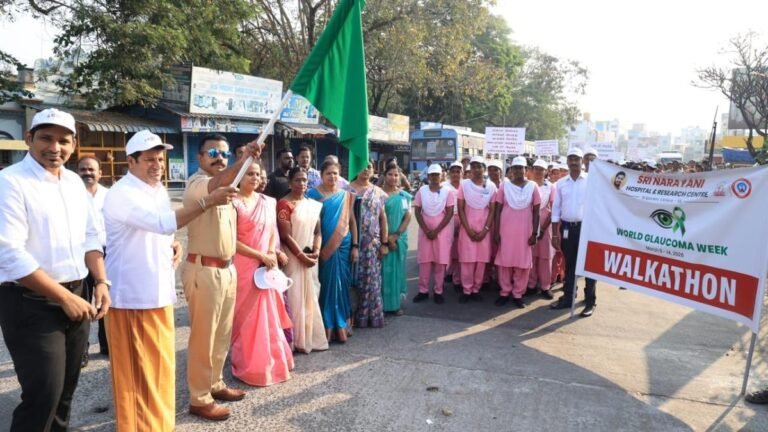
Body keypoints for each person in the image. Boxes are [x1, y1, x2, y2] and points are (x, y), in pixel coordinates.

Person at [103, 130, 235, 431]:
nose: (157, 165)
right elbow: (161, 223)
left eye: (160, 159)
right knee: (138, 377)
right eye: (149, 159)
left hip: (159, 294)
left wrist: (172, 245)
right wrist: (208, 202)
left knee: (161, 371)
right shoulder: (123, 193)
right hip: (132, 299)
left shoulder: (156, 189)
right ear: (131, 161)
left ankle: (160, 425)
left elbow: (161, 231)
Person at [0, 108, 111, 432]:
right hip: (30, 301)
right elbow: (9, 253)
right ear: (28, 139)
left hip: (77, 295)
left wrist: (101, 281)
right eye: (46, 138)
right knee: (42, 396)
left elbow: (91, 235)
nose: (55, 147)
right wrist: (63, 296)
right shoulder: (10, 183)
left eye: (64, 140)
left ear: (73, 145)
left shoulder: (75, 183)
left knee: (65, 393)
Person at [183, 133, 262, 421]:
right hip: (204, 270)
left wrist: (244, 160)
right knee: (203, 337)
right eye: (213, 152)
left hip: (226, 270)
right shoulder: (198, 183)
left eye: (224, 154)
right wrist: (243, 160)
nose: (219, 157)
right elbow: (216, 184)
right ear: (200, 157)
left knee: (221, 335)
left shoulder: (228, 191)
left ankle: (214, 383)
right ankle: (199, 398)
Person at [231, 161, 294, 386]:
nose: (254, 178)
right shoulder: (232, 203)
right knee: (245, 317)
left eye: (257, 174)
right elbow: (231, 241)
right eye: (249, 174)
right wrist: (260, 255)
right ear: (239, 176)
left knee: (268, 316)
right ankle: (249, 366)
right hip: (244, 266)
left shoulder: (268, 202)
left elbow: (271, 234)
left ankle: (272, 362)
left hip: (266, 265)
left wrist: (270, 255)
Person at [277, 167, 328, 353]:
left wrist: (315, 251)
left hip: (310, 259)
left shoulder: (312, 205)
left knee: (311, 296)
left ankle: (310, 338)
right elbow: (286, 236)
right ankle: (295, 340)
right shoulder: (284, 204)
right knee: (295, 297)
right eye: (297, 180)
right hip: (293, 258)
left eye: (304, 180)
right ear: (290, 183)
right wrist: (301, 257)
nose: (302, 183)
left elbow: (317, 231)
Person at [306, 160, 358, 342]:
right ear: (321, 175)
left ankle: (342, 324)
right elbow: (309, 223)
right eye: (329, 173)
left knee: (342, 284)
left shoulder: (346, 196)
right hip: (324, 246)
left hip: (344, 246)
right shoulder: (312, 194)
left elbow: (352, 221)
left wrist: (355, 246)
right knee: (327, 285)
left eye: (335, 173)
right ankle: (327, 325)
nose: (332, 177)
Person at [550, 147, 597, 317]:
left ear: (582, 161)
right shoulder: (561, 184)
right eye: (571, 159)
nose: (574, 162)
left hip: (587, 228)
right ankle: (569, 296)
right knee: (569, 264)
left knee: (589, 266)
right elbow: (555, 210)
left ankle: (590, 301)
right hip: (568, 229)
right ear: (567, 162)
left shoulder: (592, 181)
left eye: (577, 159)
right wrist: (555, 234)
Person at [492, 156, 540, 308]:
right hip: (506, 231)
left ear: (526, 170)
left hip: (525, 232)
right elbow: (497, 210)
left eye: (521, 168)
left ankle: (518, 293)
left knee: (522, 264)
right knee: (504, 263)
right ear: (511, 170)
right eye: (516, 168)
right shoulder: (504, 187)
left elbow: (537, 212)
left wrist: (534, 234)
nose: (519, 171)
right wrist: (496, 231)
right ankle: (505, 292)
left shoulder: (533, 187)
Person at [346, 160, 389, 328]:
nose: (365, 169)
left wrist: (384, 242)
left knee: (371, 281)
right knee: (353, 280)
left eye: (369, 167)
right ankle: (352, 316)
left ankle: (371, 316)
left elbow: (383, 218)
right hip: (351, 243)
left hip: (372, 244)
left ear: (374, 170)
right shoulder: (347, 190)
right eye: (362, 166)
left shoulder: (378, 192)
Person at [77, 156, 109, 361]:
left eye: (91, 169)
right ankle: (81, 351)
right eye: (83, 170)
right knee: (82, 303)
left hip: (107, 255)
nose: (87, 173)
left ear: (100, 173)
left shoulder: (110, 195)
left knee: (106, 302)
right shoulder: (72, 194)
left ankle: (107, 345)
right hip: (81, 255)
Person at [413, 164, 456, 304]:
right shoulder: (422, 191)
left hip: (441, 233)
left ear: (442, 175)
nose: (434, 177)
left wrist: (436, 230)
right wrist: (426, 229)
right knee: (425, 262)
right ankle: (423, 291)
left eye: (437, 174)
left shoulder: (447, 192)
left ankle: (438, 290)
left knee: (439, 263)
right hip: (425, 233)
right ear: (428, 176)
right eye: (432, 175)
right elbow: (417, 211)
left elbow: (449, 212)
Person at [457, 156, 497, 303]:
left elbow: (492, 210)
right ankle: (467, 290)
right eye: (473, 167)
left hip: (483, 231)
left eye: (479, 166)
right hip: (467, 230)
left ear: (484, 169)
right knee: (467, 261)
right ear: (470, 169)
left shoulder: (491, 187)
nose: (476, 170)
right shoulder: (464, 185)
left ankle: (476, 289)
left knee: (480, 262)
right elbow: (460, 209)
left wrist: (485, 230)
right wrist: (468, 229)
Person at [381, 164, 412, 314]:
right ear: (384, 176)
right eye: (390, 174)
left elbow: (408, 216)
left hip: (399, 239)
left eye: (396, 175)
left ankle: (395, 306)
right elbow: (376, 219)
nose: (393, 178)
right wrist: (386, 239)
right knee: (382, 272)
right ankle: (381, 305)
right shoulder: (379, 196)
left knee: (397, 271)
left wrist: (396, 236)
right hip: (382, 239)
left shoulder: (404, 196)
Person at [527, 159, 556, 299]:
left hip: (545, 222)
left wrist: (543, 228)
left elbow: (554, 208)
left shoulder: (551, 187)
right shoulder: (528, 185)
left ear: (546, 171)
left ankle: (545, 286)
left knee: (545, 256)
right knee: (531, 255)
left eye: (541, 169)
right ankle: (531, 284)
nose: (538, 171)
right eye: (536, 168)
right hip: (529, 222)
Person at [446, 161, 463, 289]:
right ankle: (449, 272)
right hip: (447, 219)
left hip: (463, 219)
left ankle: (457, 278)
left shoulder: (466, 186)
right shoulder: (444, 187)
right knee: (449, 250)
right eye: (453, 171)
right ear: (449, 173)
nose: (456, 174)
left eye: (458, 171)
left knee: (459, 251)